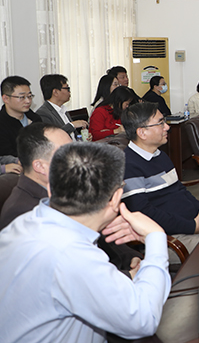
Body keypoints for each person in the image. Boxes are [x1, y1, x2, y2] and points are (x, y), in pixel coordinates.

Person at [0, 142, 170, 342]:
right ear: (116, 198)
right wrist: (155, 236)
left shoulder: (24, 223)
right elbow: (143, 319)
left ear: (50, 189)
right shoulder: (70, 253)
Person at [0, 123, 142, 275]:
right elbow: (63, 273)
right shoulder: (20, 212)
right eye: (67, 154)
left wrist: (131, 257)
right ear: (39, 166)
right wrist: (127, 276)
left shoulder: (67, 188)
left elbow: (103, 234)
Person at [121, 102, 199, 263]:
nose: (167, 127)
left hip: (191, 226)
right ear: (142, 132)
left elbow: (179, 190)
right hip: (168, 240)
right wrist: (192, 226)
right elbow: (145, 215)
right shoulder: (128, 165)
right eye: (161, 123)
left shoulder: (160, 155)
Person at [0, 76, 42, 159]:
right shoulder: (2, 123)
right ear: (6, 98)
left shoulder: (35, 119)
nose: (28, 101)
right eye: (22, 97)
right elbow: (6, 155)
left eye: (29, 96)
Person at [35, 74, 89, 138]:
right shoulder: (43, 113)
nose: (69, 92)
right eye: (67, 88)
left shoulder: (63, 110)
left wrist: (82, 137)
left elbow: (72, 135)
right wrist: (72, 125)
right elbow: (51, 137)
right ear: (55, 92)